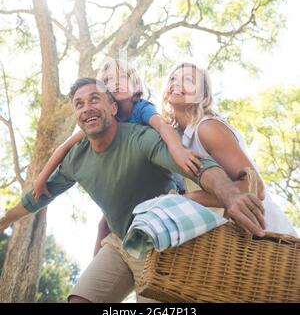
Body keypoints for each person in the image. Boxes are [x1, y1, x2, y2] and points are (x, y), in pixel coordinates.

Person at [0, 77, 266, 303]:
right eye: (79, 104)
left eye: (94, 99)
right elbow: (35, 199)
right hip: (119, 241)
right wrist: (4, 221)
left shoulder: (141, 139)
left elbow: (199, 166)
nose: (86, 108)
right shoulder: (74, 159)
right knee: (80, 299)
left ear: (113, 107)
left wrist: (231, 195)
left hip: (162, 242)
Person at [32, 60, 203, 255]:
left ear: (136, 84)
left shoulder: (141, 108)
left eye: (122, 77)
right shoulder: (102, 118)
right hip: (131, 180)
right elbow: (65, 147)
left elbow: (163, 126)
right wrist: (41, 179)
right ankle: (96, 267)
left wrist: (179, 151)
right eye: (108, 80)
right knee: (104, 225)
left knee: (164, 206)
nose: (116, 82)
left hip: (161, 176)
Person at [162, 62, 297, 236]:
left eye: (188, 79)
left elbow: (255, 187)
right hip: (227, 247)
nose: (177, 83)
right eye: (173, 78)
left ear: (202, 95)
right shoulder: (175, 140)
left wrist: (183, 200)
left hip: (270, 240)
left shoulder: (207, 128)